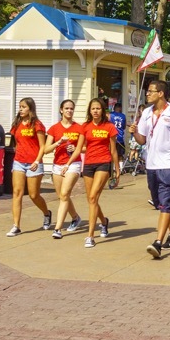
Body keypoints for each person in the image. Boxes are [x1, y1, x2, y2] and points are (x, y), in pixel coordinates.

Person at [130, 80, 170, 259]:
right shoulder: (147, 112)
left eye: (150, 91)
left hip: (169, 164)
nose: (147, 94)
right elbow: (142, 140)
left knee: (165, 202)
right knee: (160, 203)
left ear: (161, 93)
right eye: (147, 91)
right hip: (151, 164)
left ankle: (158, 241)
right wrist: (134, 132)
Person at [68, 99, 119, 248]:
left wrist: (117, 169)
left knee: (92, 197)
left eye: (98, 108)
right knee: (92, 200)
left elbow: (114, 150)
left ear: (102, 110)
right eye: (93, 109)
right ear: (89, 111)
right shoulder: (85, 126)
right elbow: (79, 148)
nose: (95, 111)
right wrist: (68, 163)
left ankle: (90, 236)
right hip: (89, 164)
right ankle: (104, 222)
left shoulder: (109, 127)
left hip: (104, 163)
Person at [4, 97, 50, 237]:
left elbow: (43, 146)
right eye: (20, 106)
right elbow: (17, 143)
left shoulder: (37, 125)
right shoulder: (17, 124)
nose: (21, 109)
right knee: (17, 193)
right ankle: (16, 225)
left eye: (23, 107)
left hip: (34, 163)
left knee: (33, 195)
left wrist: (37, 160)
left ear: (30, 108)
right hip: (19, 162)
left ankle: (46, 213)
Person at [45, 99, 84, 239]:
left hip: (73, 164)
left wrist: (75, 149)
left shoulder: (79, 128)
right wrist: (58, 142)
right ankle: (75, 217)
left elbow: (85, 147)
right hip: (57, 164)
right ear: (61, 110)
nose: (69, 111)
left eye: (71, 108)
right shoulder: (54, 128)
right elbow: (45, 149)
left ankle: (58, 229)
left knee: (65, 193)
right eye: (66, 108)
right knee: (62, 196)